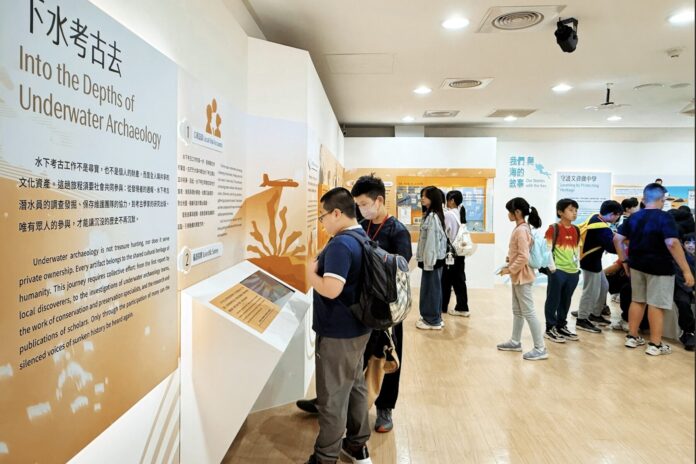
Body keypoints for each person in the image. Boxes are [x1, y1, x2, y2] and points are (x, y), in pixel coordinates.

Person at [296, 176, 412, 435]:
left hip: (385, 307)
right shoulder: (360, 227)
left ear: (379, 200)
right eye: (357, 205)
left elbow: (401, 272)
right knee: (354, 368)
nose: (360, 209)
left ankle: (384, 408)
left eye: (364, 204)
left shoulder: (397, 231)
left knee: (385, 358)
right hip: (360, 309)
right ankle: (339, 410)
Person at [305, 187, 373, 464]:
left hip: (338, 333)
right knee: (355, 386)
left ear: (336, 213)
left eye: (322, 217)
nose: (322, 223)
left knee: (332, 396)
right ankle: (357, 445)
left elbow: (331, 289)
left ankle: (325, 457)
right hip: (358, 329)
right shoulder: (361, 237)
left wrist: (309, 273)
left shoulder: (341, 245)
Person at [614, 183, 695, 356]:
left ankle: (632, 337)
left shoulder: (634, 217)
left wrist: (624, 260)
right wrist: (686, 270)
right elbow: (672, 243)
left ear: (644, 199)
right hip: (661, 267)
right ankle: (655, 345)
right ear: (662, 199)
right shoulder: (664, 218)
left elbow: (617, 239)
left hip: (637, 265)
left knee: (638, 300)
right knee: (656, 304)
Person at [496, 197, 548, 360]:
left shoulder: (521, 230)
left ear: (517, 212)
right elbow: (520, 253)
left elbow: (524, 256)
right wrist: (510, 260)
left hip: (522, 276)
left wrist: (509, 269)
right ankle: (515, 341)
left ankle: (540, 348)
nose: (508, 215)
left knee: (529, 312)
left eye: (509, 212)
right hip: (519, 276)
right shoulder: (523, 228)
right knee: (518, 311)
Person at [575, 200, 623, 333]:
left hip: (592, 260)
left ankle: (595, 314)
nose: (617, 219)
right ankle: (582, 319)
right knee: (590, 291)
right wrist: (623, 242)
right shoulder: (602, 228)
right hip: (590, 262)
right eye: (618, 216)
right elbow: (612, 247)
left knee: (603, 286)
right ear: (613, 214)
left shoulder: (595, 217)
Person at [543, 199, 581, 343]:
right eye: (571, 210)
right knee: (553, 299)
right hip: (558, 270)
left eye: (576, 210)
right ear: (560, 212)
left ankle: (561, 325)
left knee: (566, 300)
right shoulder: (553, 229)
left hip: (573, 272)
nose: (574, 213)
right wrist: (553, 269)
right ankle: (550, 328)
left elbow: (577, 249)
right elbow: (547, 250)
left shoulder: (576, 229)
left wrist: (577, 267)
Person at [416, 186, 447, 330]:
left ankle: (431, 320)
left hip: (432, 260)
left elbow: (431, 242)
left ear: (433, 198)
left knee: (430, 290)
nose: (422, 198)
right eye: (422, 195)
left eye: (425, 196)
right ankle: (435, 318)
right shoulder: (433, 215)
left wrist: (428, 262)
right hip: (434, 259)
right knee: (434, 289)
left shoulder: (432, 217)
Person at [441, 190, 470, 317]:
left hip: (451, 252)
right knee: (459, 279)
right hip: (460, 252)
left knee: (446, 280)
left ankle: (443, 307)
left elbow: (444, 232)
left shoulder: (448, 215)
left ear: (452, 200)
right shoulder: (459, 213)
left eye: (447, 200)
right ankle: (462, 307)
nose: (446, 202)